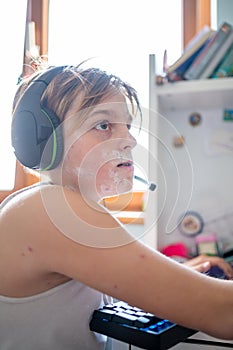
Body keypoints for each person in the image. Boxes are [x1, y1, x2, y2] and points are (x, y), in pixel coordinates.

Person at [1, 62, 233, 350]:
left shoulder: (61, 209)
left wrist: (179, 271)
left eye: (128, 125)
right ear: (40, 138)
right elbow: (223, 311)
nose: (130, 140)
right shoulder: (47, 209)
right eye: (103, 125)